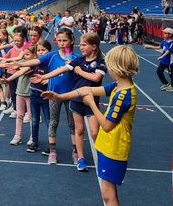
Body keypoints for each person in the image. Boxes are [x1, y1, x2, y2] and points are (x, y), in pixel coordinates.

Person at [43, 45, 138, 206]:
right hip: (107, 145)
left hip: (114, 148)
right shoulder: (119, 86)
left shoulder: (124, 95)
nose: (108, 70)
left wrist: (91, 105)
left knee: (109, 196)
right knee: (107, 193)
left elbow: (107, 125)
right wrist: (60, 97)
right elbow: (87, 89)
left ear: (117, 67)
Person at [32, 33, 106, 171]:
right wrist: (43, 76)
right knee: (78, 130)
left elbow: (96, 78)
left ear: (94, 46)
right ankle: (80, 157)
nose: (81, 47)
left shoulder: (100, 62)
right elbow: (62, 69)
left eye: (84, 44)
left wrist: (79, 71)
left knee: (95, 132)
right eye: (81, 44)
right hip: (76, 100)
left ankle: (101, 156)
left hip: (91, 102)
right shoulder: (79, 61)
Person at [8, 28, 78, 165]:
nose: (62, 43)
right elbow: (35, 62)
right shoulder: (52, 55)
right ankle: (52, 151)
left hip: (70, 95)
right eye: (59, 40)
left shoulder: (75, 58)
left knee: (72, 124)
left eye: (65, 40)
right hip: (53, 94)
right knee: (53, 122)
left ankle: (75, 151)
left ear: (71, 41)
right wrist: (20, 63)